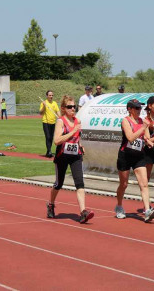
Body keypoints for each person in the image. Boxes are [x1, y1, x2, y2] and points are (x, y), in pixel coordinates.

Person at [46, 95, 94, 224]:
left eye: (74, 106)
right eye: (69, 107)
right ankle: (51, 204)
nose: (73, 109)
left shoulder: (77, 121)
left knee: (80, 183)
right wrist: (73, 131)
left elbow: (77, 138)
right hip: (62, 156)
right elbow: (56, 141)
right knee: (59, 184)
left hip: (75, 156)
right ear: (63, 108)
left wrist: (80, 145)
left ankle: (83, 212)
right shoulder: (60, 122)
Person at [115, 99, 154, 223]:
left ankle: (147, 210)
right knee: (124, 184)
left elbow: (144, 137)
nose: (139, 110)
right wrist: (144, 127)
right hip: (125, 155)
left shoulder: (141, 121)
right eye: (136, 108)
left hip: (139, 156)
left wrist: (149, 141)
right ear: (129, 109)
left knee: (144, 184)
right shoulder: (125, 121)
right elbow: (130, 137)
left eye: (140, 108)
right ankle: (119, 206)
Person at [40, 90, 60, 158]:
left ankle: (48, 151)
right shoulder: (44, 103)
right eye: (50, 95)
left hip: (53, 122)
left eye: (52, 95)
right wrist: (44, 106)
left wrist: (61, 118)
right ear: (47, 96)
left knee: (51, 138)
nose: (51, 96)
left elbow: (58, 112)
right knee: (48, 137)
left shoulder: (54, 103)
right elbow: (41, 112)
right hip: (46, 122)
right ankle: (49, 151)